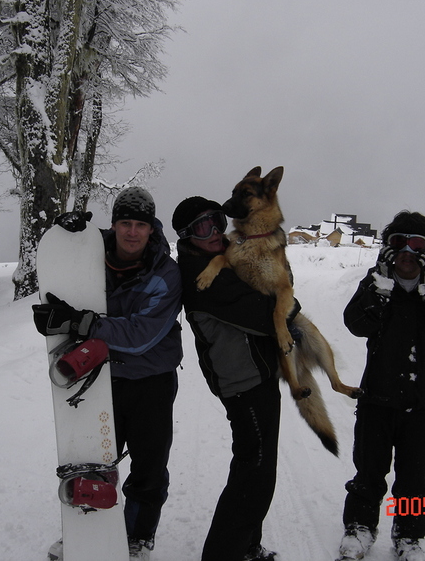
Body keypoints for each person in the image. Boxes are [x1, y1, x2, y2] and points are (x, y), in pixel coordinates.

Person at [33, 187, 183, 560]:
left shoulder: (165, 273)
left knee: (148, 466)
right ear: (113, 225)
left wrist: (83, 323)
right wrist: (66, 238)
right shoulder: (91, 254)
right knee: (93, 457)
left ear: (152, 229)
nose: (132, 232)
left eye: (140, 225)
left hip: (150, 380)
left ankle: (136, 536)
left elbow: (139, 337)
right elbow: (65, 275)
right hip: (100, 377)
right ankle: (89, 532)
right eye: (125, 223)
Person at [336, 211, 425, 561]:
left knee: (414, 476)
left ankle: (408, 535)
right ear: (386, 249)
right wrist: (379, 287)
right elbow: (356, 323)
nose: (407, 252)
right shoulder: (376, 284)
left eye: (417, 244)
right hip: (377, 399)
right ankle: (360, 527)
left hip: (422, 402)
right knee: (369, 469)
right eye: (398, 243)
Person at [173, 196, 293, 561]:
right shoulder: (200, 276)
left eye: (216, 220)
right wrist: (283, 302)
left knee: (256, 468)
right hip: (243, 385)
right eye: (201, 227)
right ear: (187, 236)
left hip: (258, 374)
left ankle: (246, 547)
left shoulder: (226, 255)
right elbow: (261, 311)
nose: (213, 231)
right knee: (253, 476)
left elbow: (276, 281)